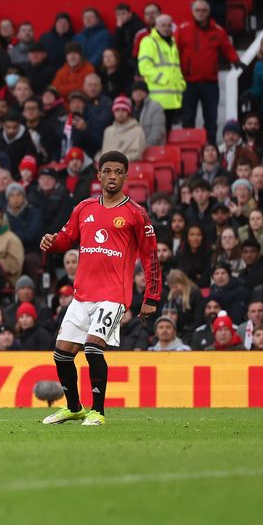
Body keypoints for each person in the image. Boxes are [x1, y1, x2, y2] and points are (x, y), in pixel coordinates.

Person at [39, 150, 161, 426]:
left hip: (114, 295)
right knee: (61, 354)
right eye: (108, 171)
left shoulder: (135, 213)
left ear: (126, 177)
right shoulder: (84, 208)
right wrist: (51, 241)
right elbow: (66, 238)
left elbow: (150, 256)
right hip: (82, 294)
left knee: (93, 349)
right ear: (99, 175)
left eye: (118, 172)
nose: (113, 176)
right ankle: (74, 408)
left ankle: (98, 411)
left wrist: (152, 296)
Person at [175, 0, 238, 137]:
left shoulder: (218, 31)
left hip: (210, 82)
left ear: (209, 12)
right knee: (188, 118)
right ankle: (189, 147)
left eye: (204, 10)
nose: (201, 13)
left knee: (211, 119)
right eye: (197, 10)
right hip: (188, 82)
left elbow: (227, 48)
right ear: (192, 12)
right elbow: (174, 52)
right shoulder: (183, 29)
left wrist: (236, 61)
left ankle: (211, 146)